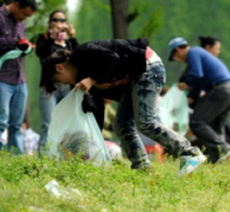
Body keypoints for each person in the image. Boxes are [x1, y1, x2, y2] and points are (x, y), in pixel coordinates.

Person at [47, 38, 206, 174]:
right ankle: (142, 168)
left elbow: (112, 57)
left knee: (146, 122)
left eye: (57, 80)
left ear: (59, 68)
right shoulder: (84, 80)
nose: (61, 84)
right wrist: (94, 139)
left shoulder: (82, 54)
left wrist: (92, 80)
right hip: (135, 80)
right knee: (122, 125)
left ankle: (190, 154)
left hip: (148, 67)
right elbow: (99, 110)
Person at [0, 0, 36, 155]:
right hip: (0, 77)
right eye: (24, 14)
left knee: (17, 123)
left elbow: (17, 47)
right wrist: (14, 42)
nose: (24, 18)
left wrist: (25, 48)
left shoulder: (20, 24)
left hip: (19, 78)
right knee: (0, 120)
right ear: (16, 5)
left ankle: (15, 158)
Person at [169, 37, 230, 163]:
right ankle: (215, 161)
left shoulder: (193, 52)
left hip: (220, 90)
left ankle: (223, 148)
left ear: (178, 51)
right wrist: (192, 97)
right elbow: (200, 81)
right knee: (216, 128)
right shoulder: (200, 54)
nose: (178, 61)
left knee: (196, 121)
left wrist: (186, 84)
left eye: (175, 58)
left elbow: (196, 74)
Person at [35, 10, 79, 150]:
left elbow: (79, 57)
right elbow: (41, 54)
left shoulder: (68, 42)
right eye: (56, 19)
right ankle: (45, 156)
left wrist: (72, 37)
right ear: (50, 22)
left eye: (63, 20)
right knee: (48, 123)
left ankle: (65, 156)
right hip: (49, 87)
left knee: (67, 124)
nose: (59, 23)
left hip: (67, 87)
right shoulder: (43, 39)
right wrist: (51, 38)